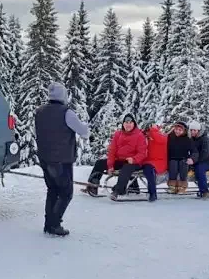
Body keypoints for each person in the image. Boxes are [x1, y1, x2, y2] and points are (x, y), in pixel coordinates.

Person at [34, 82, 90, 237]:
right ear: (63, 95)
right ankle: (54, 224)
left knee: (52, 190)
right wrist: (85, 124)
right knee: (66, 193)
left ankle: (48, 224)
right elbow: (83, 132)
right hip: (62, 160)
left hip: (45, 159)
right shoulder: (67, 113)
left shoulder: (39, 112)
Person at [85, 114, 147, 198]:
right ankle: (92, 186)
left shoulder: (139, 135)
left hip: (134, 162)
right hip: (120, 160)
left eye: (130, 122)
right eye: (126, 122)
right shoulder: (118, 134)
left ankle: (118, 190)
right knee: (100, 163)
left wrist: (134, 159)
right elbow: (112, 151)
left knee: (126, 168)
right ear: (123, 124)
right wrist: (110, 165)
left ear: (134, 124)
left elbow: (143, 153)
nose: (128, 124)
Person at [113, 122, 166, 202]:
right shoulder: (144, 137)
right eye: (147, 131)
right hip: (145, 161)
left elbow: (160, 139)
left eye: (149, 131)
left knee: (148, 171)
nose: (148, 133)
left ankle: (152, 193)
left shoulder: (159, 136)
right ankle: (132, 187)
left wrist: (154, 131)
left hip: (157, 162)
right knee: (129, 166)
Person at [166, 121, 196, 194]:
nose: (177, 131)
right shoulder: (170, 137)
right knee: (173, 165)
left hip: (183, 158)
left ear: (184, 131)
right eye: (176, 129)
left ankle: (182, 187)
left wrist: (192, 158)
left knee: (183, 165)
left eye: (180, 130)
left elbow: (194, 151)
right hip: (172, 158)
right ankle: (172, 187)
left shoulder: (187, 139)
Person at [188, 121, 209, 199]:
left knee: (199, 169)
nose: (192, 132)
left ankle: (205, 191)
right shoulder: (191, 139)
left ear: (198, 130)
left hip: (206, 161)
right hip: (195, 160)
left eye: (194, 130)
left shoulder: (204, 139)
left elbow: (205, 153)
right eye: (191, 130)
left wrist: (194, 161)